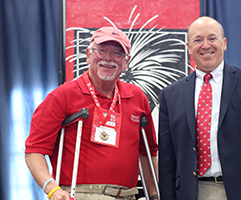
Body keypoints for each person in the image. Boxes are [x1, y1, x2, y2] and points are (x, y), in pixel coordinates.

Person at [25, 27, 159, 200]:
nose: (108, 58)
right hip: (80, 194)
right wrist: (52, 189)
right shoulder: (63, 96)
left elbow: (147, 152)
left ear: (126, 62)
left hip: (127, 195)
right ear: (88, 54)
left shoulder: (136, 97)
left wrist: (155, 195)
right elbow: (34, 150)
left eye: (117, 53)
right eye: (102, 50)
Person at [158, 16, 241, 200]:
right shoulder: (170, 95)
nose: (205, 45)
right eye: (198, 40)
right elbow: (167, 162)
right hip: (191, 192)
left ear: (224, 43)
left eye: (212, 38)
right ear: (189, 47)